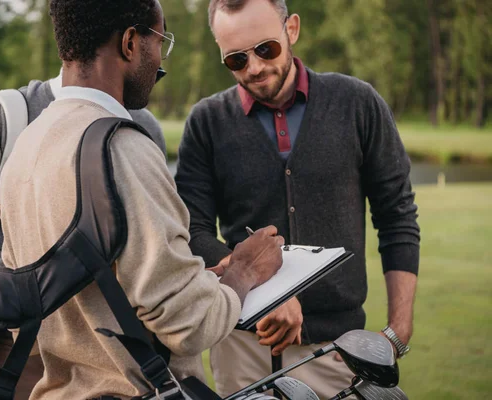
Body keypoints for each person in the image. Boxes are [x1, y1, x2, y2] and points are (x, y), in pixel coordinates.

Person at [0, 0, 285, 398]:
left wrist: (197, 280)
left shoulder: (25, 148)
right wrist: (245, 270)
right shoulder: (122, 149)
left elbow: (26, 312)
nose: (160, 59)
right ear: (131, 43)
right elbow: (190, 325)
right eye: (160, 40)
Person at [174, 0, 421, 397]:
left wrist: (399, 331)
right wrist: (263, 291)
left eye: (265, 49)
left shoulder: (358, 103)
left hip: (338, 349)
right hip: (242, 349)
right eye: (235, 59)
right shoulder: (206, 122)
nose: (253, 67)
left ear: (291, 29)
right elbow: (192, 230)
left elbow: (397, 217)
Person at [0, 74, 166, 399]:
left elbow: (153, 241)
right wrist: (40, 293)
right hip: (22, 350)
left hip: (123, 350)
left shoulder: (142, 126)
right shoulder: (6, 116)